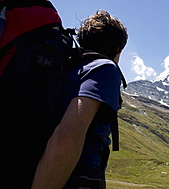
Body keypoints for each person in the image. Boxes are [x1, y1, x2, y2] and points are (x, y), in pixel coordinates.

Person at [31, 10, 128, 189]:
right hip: (77, 177)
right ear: (119, 49)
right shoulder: (104, 69)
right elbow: (66, 136)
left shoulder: (65, 68)